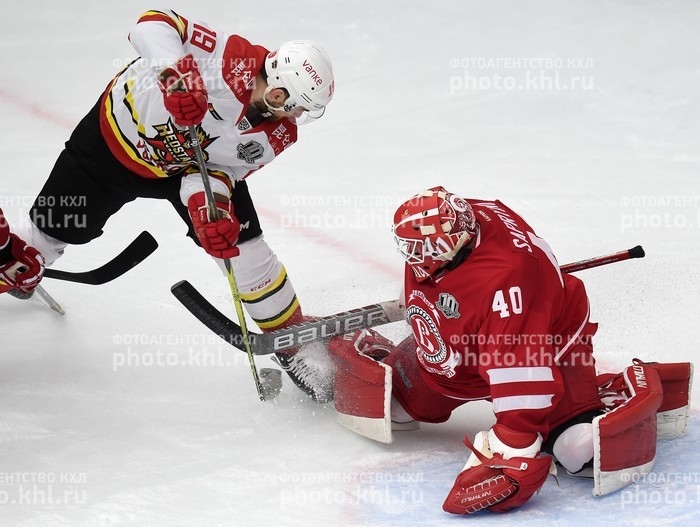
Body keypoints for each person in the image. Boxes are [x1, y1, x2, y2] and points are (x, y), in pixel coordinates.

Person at [3, 9, 336, 401]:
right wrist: (176, 73)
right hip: (109, 146)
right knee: (30, 251)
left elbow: (221, 170)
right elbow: (152, 22)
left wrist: (207, 209)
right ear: (279, 93)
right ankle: (20, 265)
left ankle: (292, 344)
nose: (298, 117)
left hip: (181, 171)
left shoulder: (279, 132)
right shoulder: (227, 56)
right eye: (299, 106)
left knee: (245, 251)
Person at [329, 186, 693, 514]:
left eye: (426, 249)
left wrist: (514, 445)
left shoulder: (508, 288)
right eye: (411, 248)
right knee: (391, 410)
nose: (415, 257)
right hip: (462, 349)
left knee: (576, 450)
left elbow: (522, 372)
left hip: (550, 345)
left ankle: (612, 394)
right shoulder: (467, 214)